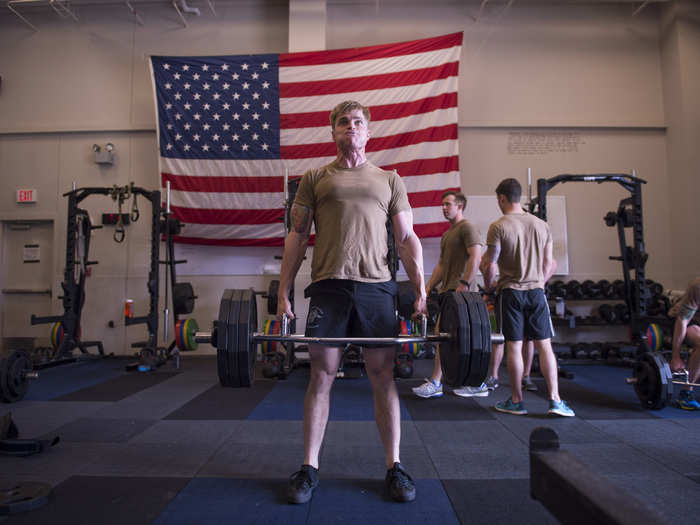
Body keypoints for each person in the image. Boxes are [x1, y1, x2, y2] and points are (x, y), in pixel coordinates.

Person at [277, 100, 427, 504]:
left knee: (383, 376)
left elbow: (406, 238)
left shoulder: (390, 179)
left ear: (368, 131)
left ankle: (394, 466)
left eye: (357, 122)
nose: (350, 128)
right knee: (320, 376)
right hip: (329, 286)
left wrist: (422, 288)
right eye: (343, 123)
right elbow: (296, 236)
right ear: (333, 132)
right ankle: (309, 467)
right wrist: (282, 290)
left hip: (377, 288)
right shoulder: (314, 178)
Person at [480, 178, 574, 417]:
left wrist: (489, 287)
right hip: (536, 293)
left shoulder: (498, 226)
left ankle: (517, 401)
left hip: (510, 292)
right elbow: (549, 264)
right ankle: (555, 400)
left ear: (502, 198)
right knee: (545, 346)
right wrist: (539, 283)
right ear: (518, 197)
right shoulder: (542, 225)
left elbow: (490, 265)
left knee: (514, 345)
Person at [412, 191, 483, 398]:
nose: (444, 208)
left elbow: (476, 256)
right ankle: (474, 383)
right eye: (443, 204)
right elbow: (442, 266)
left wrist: (464, 284)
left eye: (448, 204)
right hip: (449, 292)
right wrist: (427, 288)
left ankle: (436, 382)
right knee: (453, 338)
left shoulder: (467, 228)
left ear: (459, 206)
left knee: (444, 335)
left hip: (463, 293)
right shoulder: (448, 234)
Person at [667, 278, 700, 410]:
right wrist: (676, 357)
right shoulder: (698, 286)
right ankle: (686, 394)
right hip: (686, 320)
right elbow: (683, 319)